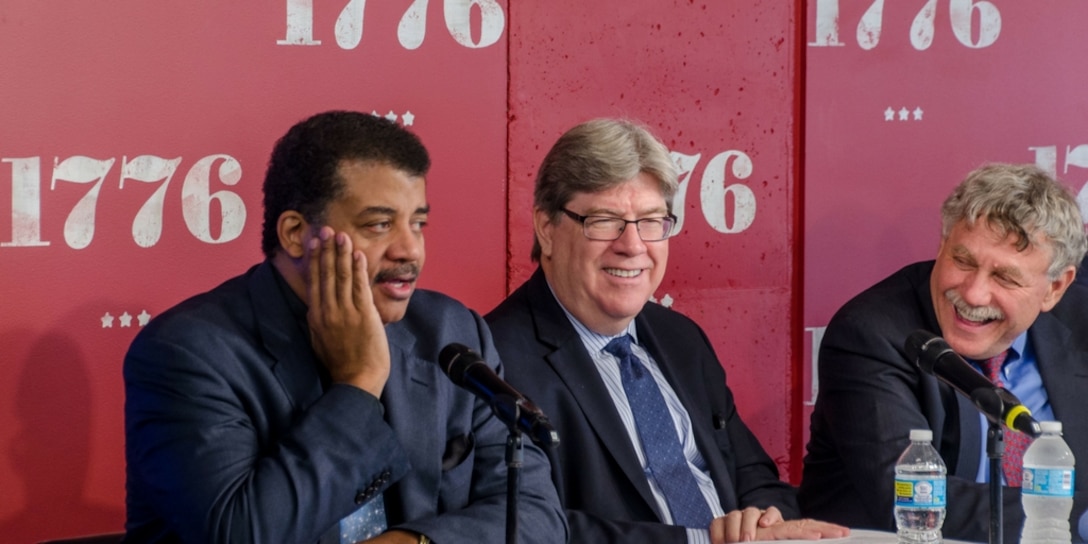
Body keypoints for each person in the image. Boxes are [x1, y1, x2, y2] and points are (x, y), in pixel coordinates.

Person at [123, 111, 567, 544]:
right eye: (378, 224)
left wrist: (412, 542)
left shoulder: (451, 333)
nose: (410, 250)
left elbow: (535, 516)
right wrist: (357, 385)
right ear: (296, 232)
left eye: (418, 223)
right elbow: (242, 532)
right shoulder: (188, 353)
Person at [485, 118, 849, 543]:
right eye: (605, 221)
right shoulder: (498, 361)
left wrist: (763, 521)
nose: (633, 245)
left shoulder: (681, 339)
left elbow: (753, 474)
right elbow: (529, 524)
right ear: (547, 229)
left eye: (652, 221)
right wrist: (701, 543)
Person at [800, 163, 1088, 542]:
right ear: (942, 244)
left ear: (1055, 287)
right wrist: (1078, 519)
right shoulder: (871, 333)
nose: (972, 294)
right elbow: (911, 498)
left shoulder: (1081, 325)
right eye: (962, 261)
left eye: (1005, 277)